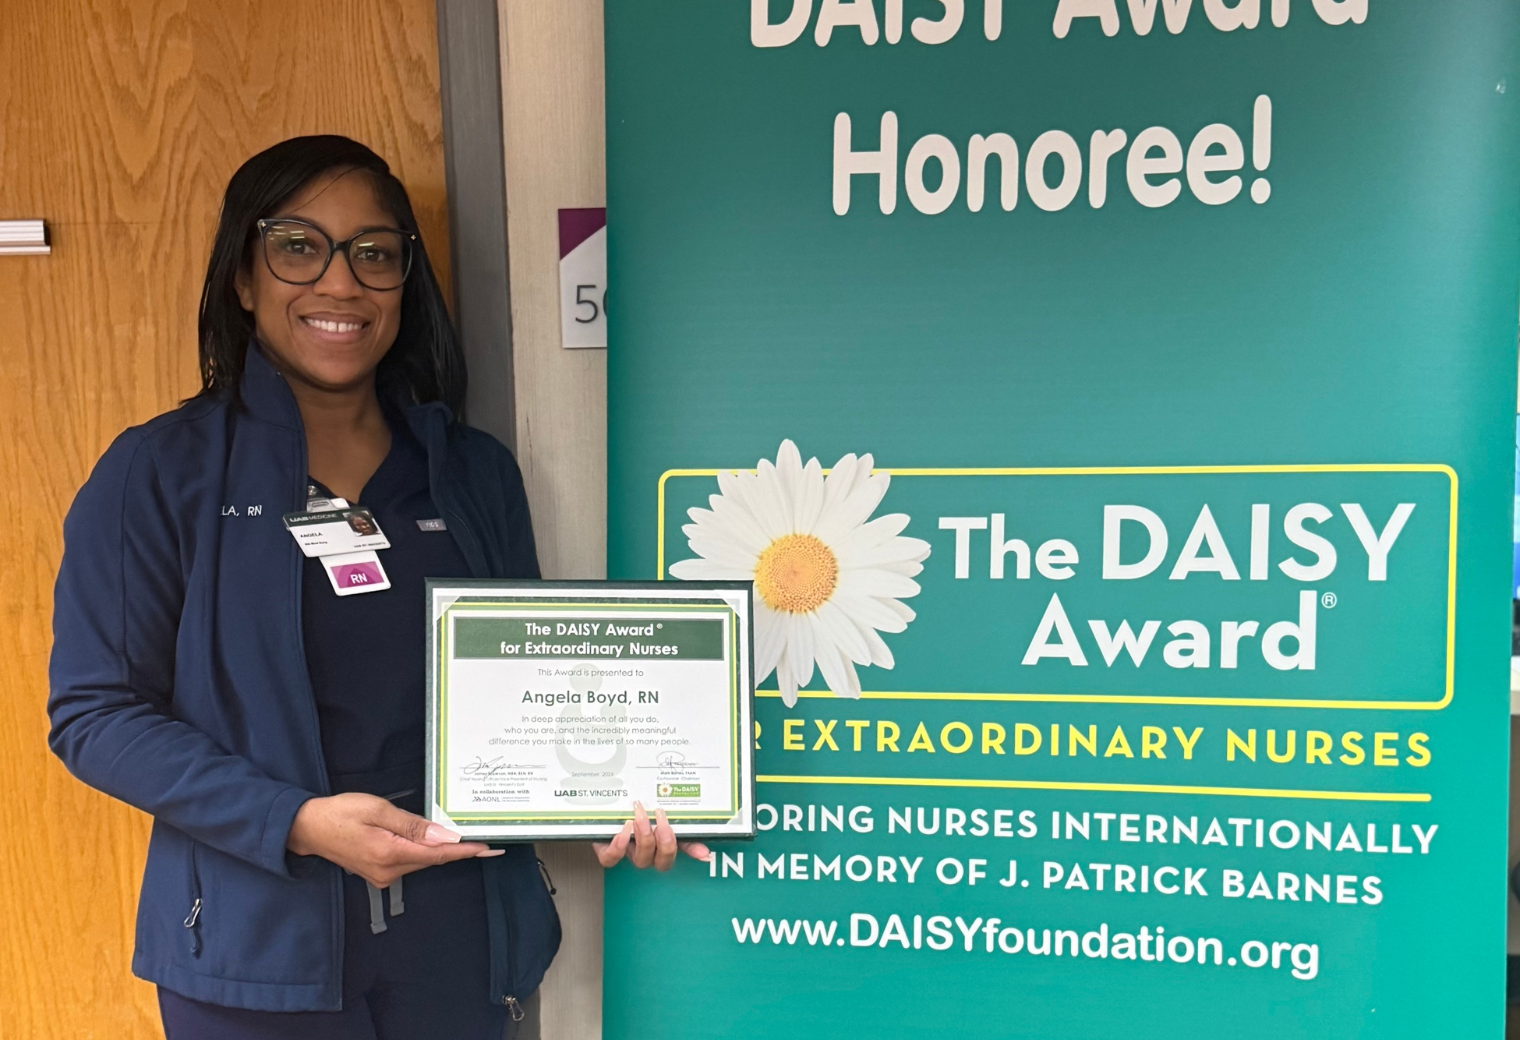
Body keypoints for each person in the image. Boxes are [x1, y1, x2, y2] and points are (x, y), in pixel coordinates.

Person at [47, 135, 705, 1040]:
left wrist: (596, 797)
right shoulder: (159, 474)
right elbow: (96, 715)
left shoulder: (471, 473)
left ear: (404, 279)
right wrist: (297, 821)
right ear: (243, 277)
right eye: (297, 246)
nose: (341, 283)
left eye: (373, 253)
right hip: (257, 954)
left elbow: (536, 685)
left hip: (461, 938)